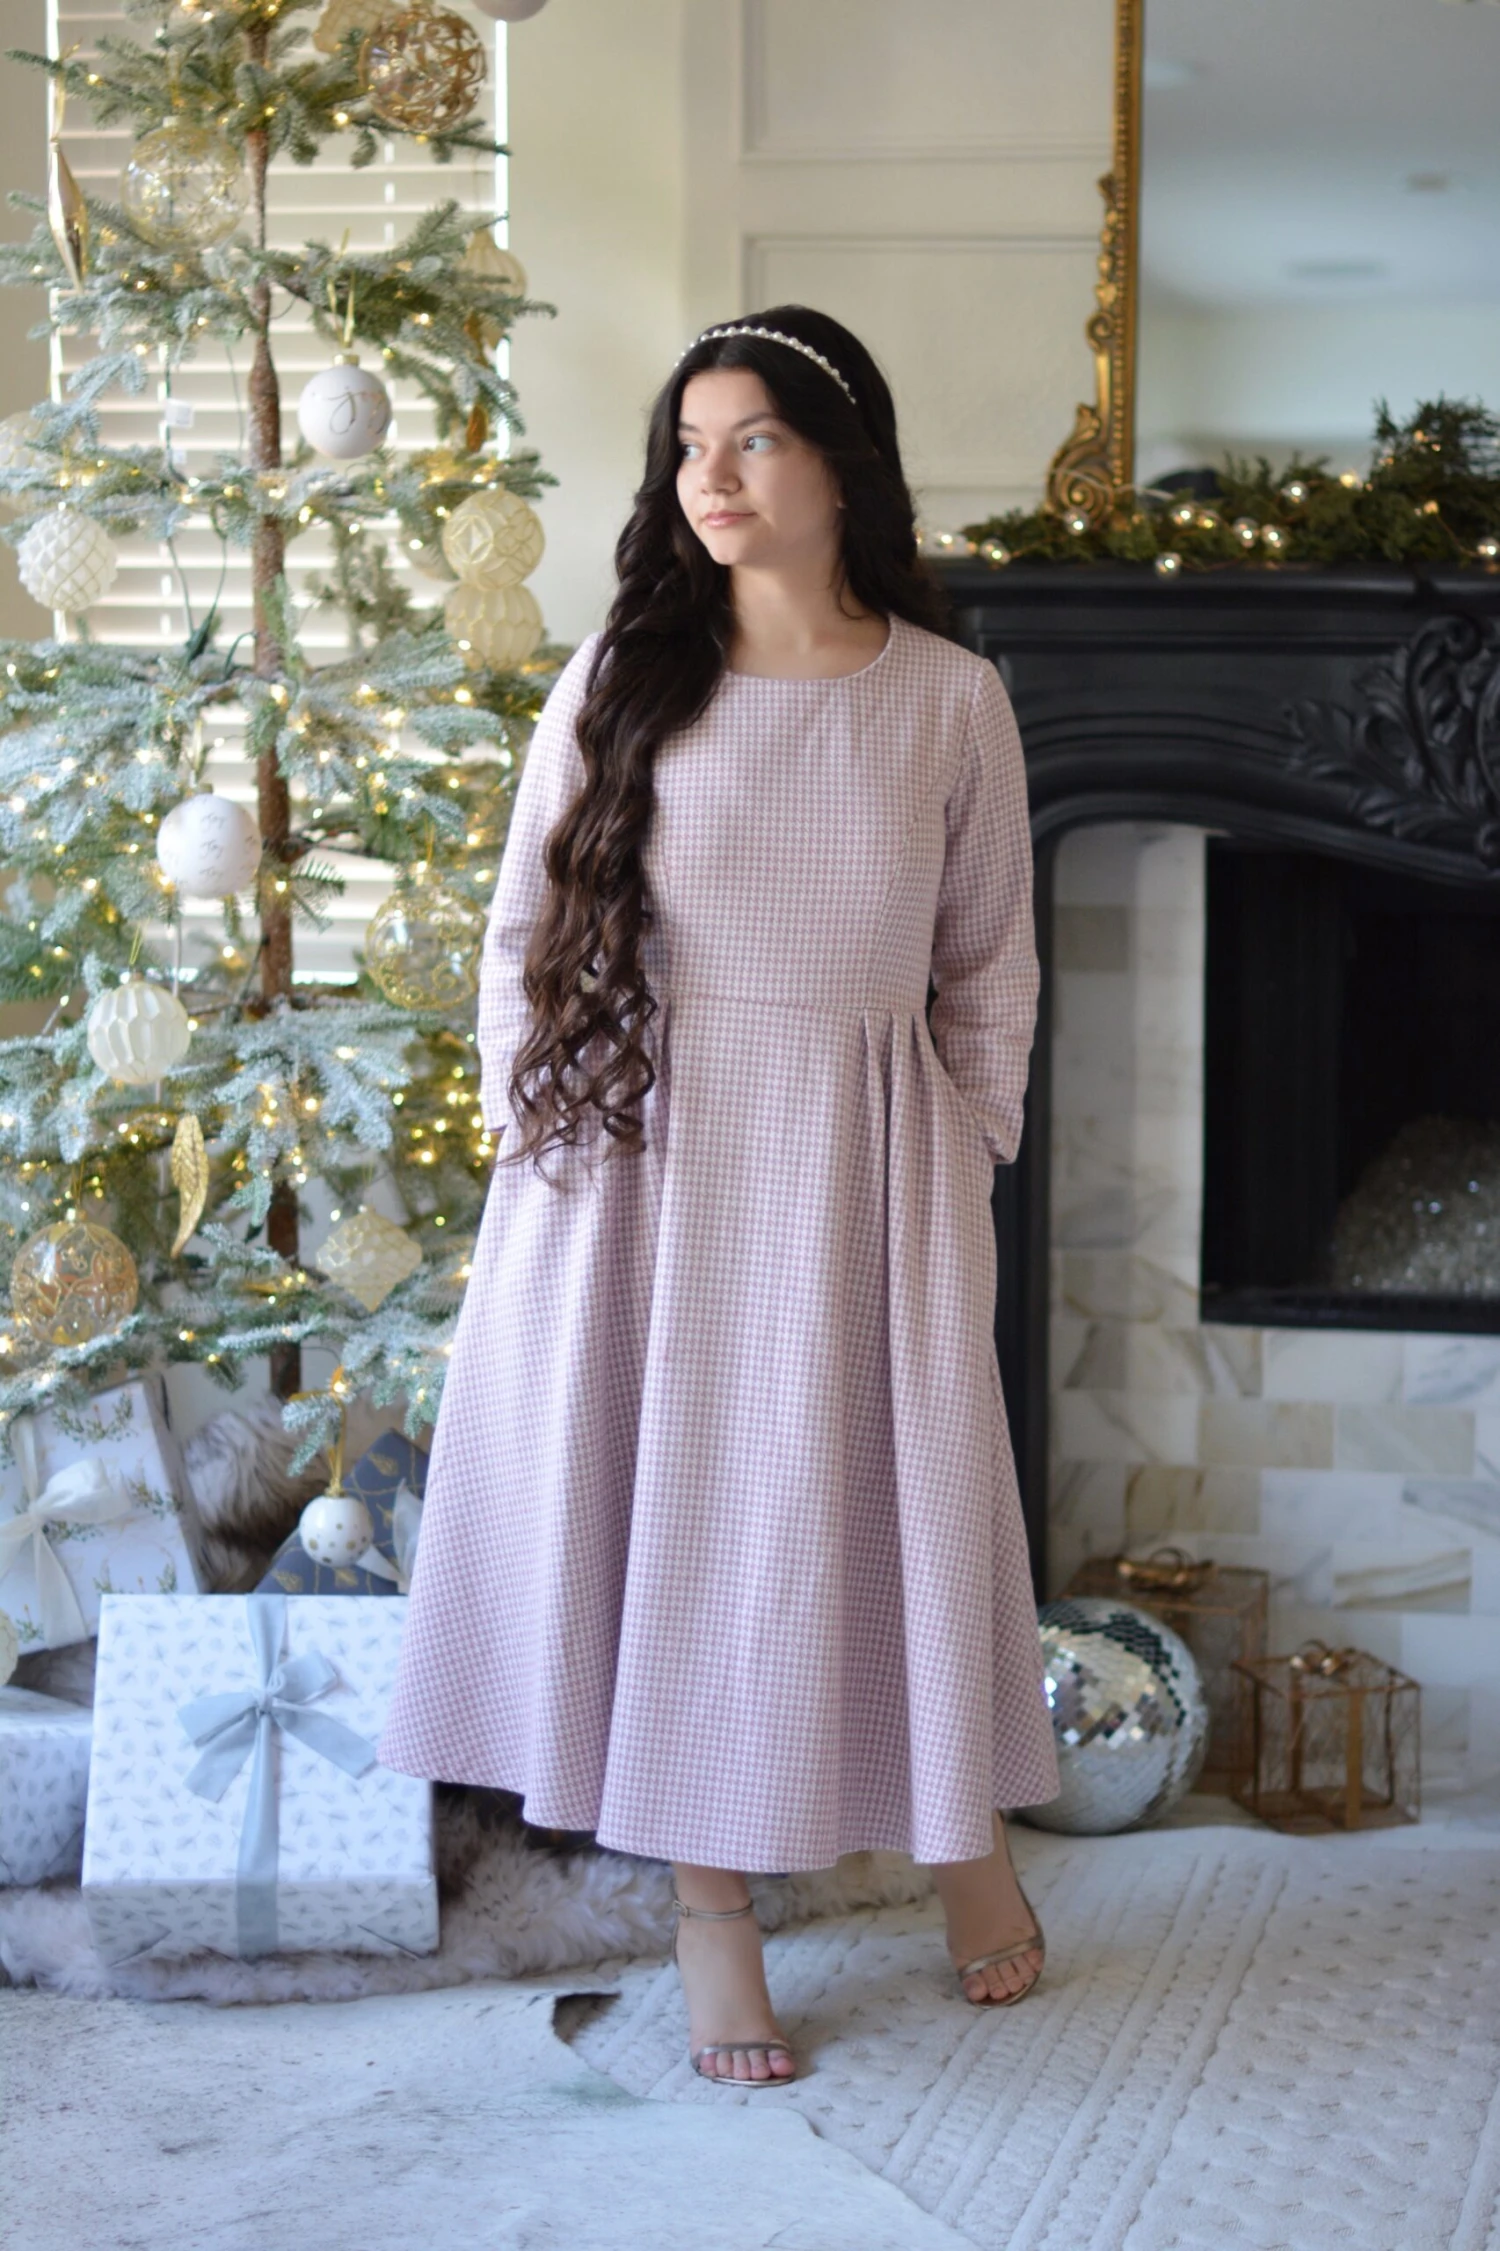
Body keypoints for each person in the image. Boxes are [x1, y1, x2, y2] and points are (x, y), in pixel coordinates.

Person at [379, 304, 1060, 2087]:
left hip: (867, 1169)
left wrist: (963, 1150)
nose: (712, 476)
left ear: (841, 462)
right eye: (691, 445)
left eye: (752, 438)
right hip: (645, 1165)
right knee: (682, 1524)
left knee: (895, 1509)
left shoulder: (950, 699)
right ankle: (712, 1915)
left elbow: (987, 962)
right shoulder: (622, 676)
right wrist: (541, 1145)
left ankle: (962, 1844)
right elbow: (525, 930)